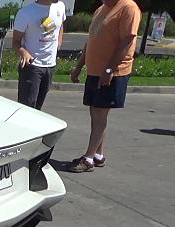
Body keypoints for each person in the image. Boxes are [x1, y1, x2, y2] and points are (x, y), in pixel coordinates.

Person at [68, 0, 141, 173]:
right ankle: (98, 155)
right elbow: (91, 40)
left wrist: (110, 69)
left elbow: (127, 40)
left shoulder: (128, 7)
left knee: (100, 113)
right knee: (96, 112)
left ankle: (88, 158)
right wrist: (79, 66)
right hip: (95, 71)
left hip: (112, 72)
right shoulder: (101, 9)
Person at [12, 0, 66, 110]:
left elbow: (60, 26)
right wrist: (24, 52)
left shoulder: (60, 6)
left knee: (38, 108)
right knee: (27, 108)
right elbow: (15, 42)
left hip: (50, 65)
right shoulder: (25, 12)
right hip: (32, 66)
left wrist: (58, 44)